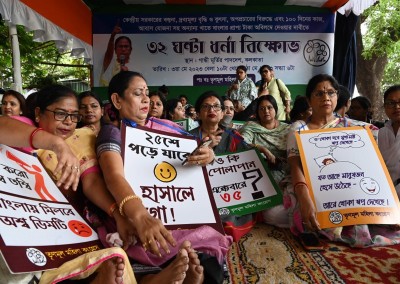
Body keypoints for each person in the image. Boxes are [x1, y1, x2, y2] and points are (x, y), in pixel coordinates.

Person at [96, 71, 231, 283]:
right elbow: (113, 176)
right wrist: (141, 217)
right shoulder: (112, 133)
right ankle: (157, 277)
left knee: (209, 266)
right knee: (145, 253)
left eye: (147, 93)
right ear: (117, 100)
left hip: (178, 211)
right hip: (136, 213)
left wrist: (208, 155)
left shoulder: (167, 128)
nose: (145, 99)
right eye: (137, 93)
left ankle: (175, 274)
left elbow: (194, 154)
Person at [0, 116, 133, 284]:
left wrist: (119, 215)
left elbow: (91, 182)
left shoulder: (81, 137)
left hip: (54, 226)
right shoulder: (24, 127)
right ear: (38, 114)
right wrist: (57, 144)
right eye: (60, 113)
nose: (68, 121)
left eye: (74, 115)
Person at [284, 73, 399, 248]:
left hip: (348, 185)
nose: (326, 98)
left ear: (337, 96)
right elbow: (295, 166)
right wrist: (305, 199)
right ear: (309, 99)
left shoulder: (357, 128)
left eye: (331, 93)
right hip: (310, 185)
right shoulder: (299, 128)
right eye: (319, 94)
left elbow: (373, 164)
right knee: (284, 212)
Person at [239, 95, 290, 228]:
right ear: (257, 112)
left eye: (269, 108)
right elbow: (241, 143)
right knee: (274, 214)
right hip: (259, 173)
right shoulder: (251, 127)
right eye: (262, 109)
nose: (266, 111)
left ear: (276, 109)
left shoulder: (287, 129)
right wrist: (262, 149)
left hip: (287, 172)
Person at [378, 85, 400, 196]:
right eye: (391, 103)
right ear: (385, 107)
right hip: (385, 194)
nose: (397, 107)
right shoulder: (381, 133)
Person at [100, 21, 133, 86]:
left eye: (126, 46)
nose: (123, 49)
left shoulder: (135, 65)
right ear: (115, 50)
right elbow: (109, 53)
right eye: (120, 46)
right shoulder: (109, 63)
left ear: (130, 50)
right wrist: (112, 36)